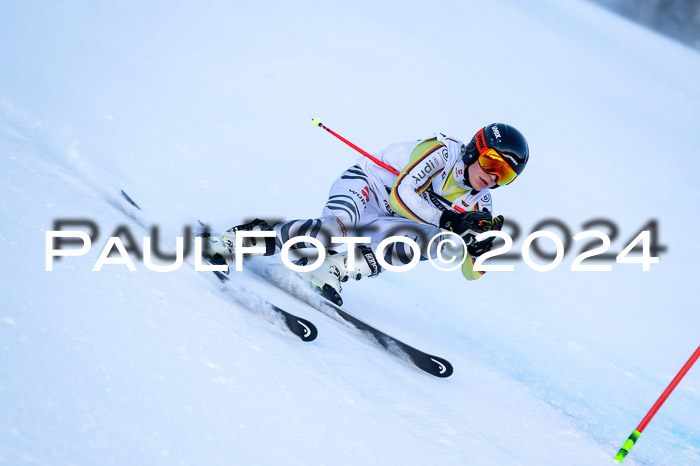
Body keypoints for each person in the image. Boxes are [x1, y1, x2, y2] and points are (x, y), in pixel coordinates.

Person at [203, 123, 529, 305]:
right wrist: (451, 221)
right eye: (492, 164)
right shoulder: (442, 152)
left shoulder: (482, 204)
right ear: (475, 150)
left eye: (506, 175)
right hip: (367, 190)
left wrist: (481, 251)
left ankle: (333, 269)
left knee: (444, 244)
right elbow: (403, 194)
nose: (493, 177)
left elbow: (469, 273)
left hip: (391, 221)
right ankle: (242, 239)